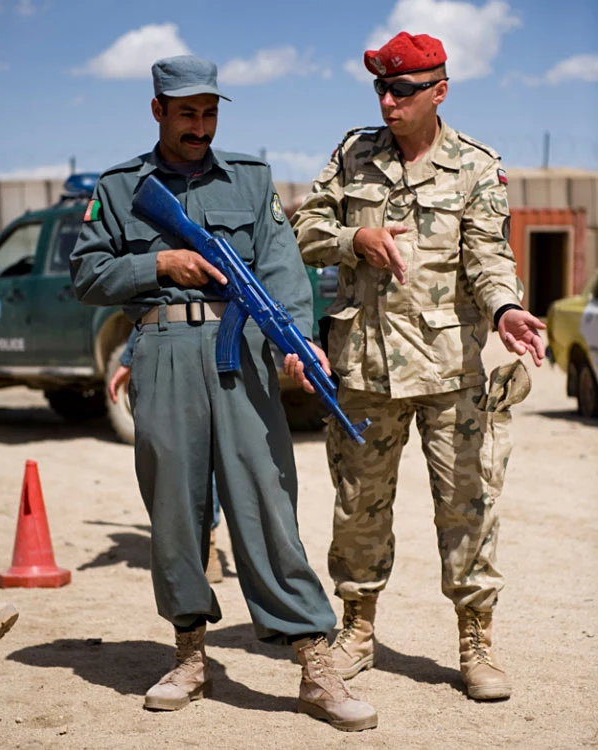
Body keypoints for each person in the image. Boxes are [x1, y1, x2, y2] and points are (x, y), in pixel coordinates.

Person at [70, 55, 377, 731]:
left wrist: (301, 343)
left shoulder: (250, 178)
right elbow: (86, 274)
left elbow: (280, 269)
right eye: (186, 113)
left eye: (209, 113)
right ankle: (188, 656)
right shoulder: (123, 188)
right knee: (176, 510)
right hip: (163, 352)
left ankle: (314, 666)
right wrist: (158, 263)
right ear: (158, 111)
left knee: (268, 501)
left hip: (241, 357)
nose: (199, 127)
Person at [288, 32, 546, 701]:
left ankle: (475, 639)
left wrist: (505, 310)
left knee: (467, 507)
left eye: (402, 89)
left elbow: (487, 257)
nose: (387, 100)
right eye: (380, 88)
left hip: (449, 370)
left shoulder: (475, 167)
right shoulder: (353, 154)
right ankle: (357, 629)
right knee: (358, 509)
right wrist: (355, 238)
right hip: (365, 368)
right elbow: (303, 232)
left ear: (438, 90)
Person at [108, 330, 223, 583]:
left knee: (210, 453)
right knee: (201, 452)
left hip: (218, 351)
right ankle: (206, 542)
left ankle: (210, 541)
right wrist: (129, 357)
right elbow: (157, 304)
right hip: (191, 353)